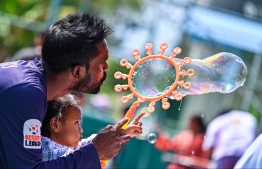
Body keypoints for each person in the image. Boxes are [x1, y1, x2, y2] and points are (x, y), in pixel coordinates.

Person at [0, 13, 131, 168]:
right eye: (102, 63)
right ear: (77, 72)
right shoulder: (27, 93)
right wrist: (95, 152)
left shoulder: (30, 83)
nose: (106, 68)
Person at [41, 94, 144, 162]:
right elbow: (88, 149)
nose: (81, 130)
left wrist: (124, 132)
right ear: (55, 125)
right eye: (76, 123)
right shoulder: (45, 149)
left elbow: (88, 145)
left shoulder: (68, 149)